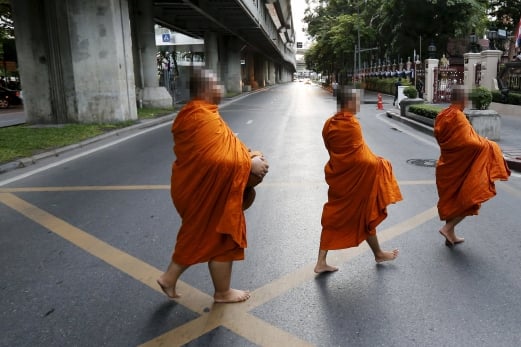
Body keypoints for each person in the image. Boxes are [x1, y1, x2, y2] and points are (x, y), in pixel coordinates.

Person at [157, 68, 269, 303]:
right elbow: (217, 160)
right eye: (216, 83)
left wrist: (247, 155)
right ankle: (222, 292)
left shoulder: (203, 113)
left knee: (206, 236)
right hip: (203, 189)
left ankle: (171, 279)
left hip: (203, 188)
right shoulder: (199, 117)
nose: (220, 87)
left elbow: (222, 149)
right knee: (218, 237)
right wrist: (249, 165)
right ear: (206, 89)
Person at [314, 87, 403, 273]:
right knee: (364, 214)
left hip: (340, 177)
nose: (359, 104)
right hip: (357, 179)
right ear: (348, 103)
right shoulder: (351, 123)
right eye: (356, 100)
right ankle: (323, 262)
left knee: (341, 216)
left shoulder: (329, 124)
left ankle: (376, 253)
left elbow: (334, 149)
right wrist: (379, 163)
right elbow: (360, 157)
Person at [434, 86, 510, 246]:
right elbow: (470, 143)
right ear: (463, 99)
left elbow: (445, 139)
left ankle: (451, 236)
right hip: (460, 167)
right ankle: (448, 228)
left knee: (451, 201)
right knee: (471, 199)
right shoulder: (458, 116)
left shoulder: (442, 115)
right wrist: (487, 143)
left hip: (447, 165)